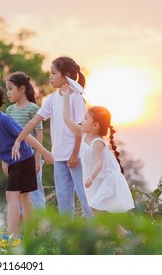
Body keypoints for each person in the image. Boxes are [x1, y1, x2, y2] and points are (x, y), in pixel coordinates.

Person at [0, 82, 54, 246]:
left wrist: (43, 152)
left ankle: (11, 237)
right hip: (16, 162)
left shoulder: (4, 120)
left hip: (23, 158)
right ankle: (31, 238)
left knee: (11, 195)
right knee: (24, 197)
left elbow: (26, 135)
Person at [12, 57, 92, 218]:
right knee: (63, 198)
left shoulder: (76, 97)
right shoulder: (52, 99)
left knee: (85, 196)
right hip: (59, 157)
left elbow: (80, 130)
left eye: (54, 73)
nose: (50, 77)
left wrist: (75, 153)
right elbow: (34, 120)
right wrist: (19, 139)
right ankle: (67, 236)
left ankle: (96, 234)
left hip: (76, 157)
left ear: (66, 75)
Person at [60, 84, 135, 236]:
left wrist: (90, 177)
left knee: (95, 207)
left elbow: (99, 163)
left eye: (85, 118)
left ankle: (98, 235)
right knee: (98, 210)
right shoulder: (83, 133)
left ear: (95, 125)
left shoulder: (97, 142)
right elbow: (67, 120)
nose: (82, 120)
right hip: (96, 180)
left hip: (106, 179)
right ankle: (125, 236)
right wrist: (66, 97)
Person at [5, 72, 46, 210]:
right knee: (19, 193)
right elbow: (8, 137)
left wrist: (37, 158)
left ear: (21, 89)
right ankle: (23, 228)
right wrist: (5, 160)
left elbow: (39, 134)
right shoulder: (9, 110)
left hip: (31, 157)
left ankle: (42, 227)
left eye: (10, 88)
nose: (8, 92)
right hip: (15, 159)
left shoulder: (33, 108)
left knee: (35, 193)